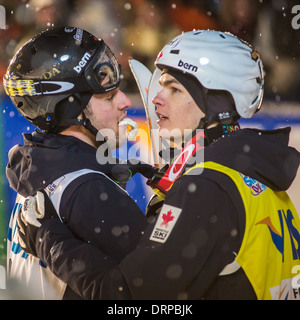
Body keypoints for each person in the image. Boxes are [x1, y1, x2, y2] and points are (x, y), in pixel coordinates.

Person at [17, 30, 300, 300]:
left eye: (174, 89)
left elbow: (130, 297)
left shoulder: (205, 189)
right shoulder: (257, 176)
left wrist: (47, 238)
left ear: (216, 104)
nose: (155, 99)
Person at [4, 26, 156, 299]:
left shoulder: (33, 171)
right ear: (71, 112)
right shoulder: (89, 192)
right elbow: (159, 294)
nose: (124, 101)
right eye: (108, 96)